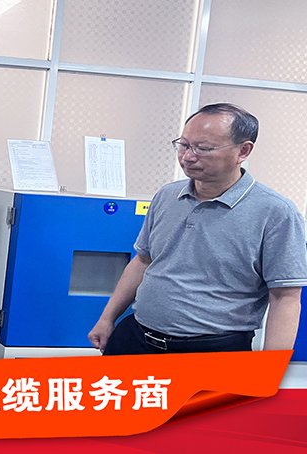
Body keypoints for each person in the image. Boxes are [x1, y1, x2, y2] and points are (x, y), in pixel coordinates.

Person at [88, 103, 307, 355]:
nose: (188, 156)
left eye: (204, 148)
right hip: (136, 339)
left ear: (243, 151)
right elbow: (143, 261)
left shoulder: (276, 212)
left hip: (212, 352)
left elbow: (285, 297)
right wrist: (107, 318)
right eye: (183, 145)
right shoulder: (167, 195)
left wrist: (270, 368)